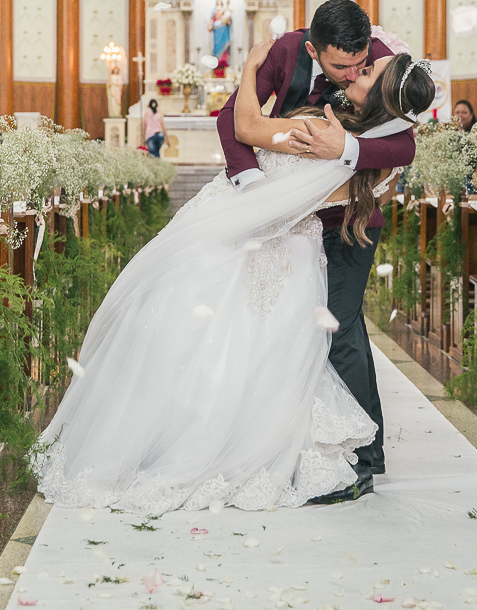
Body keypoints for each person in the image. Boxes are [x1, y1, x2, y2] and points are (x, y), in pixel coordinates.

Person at [32, 46, 435, 513]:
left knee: (244, 342)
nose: (359, 69)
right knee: (243, 346)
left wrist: (246, 69)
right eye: (360, 64)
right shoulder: (363, 143)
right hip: (273, 241)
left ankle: (355, 454)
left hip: (257, 238)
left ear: (381, 101)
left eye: (367, 72)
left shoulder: (329, 135)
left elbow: (246, 126)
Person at [217, 0, 416, 501]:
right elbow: (231, 120)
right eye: (339, 66)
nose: (352, 74)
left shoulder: (384, 61)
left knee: (340, 323)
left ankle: (364, 460)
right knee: (287, 326)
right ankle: (303, 444)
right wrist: (252, 187)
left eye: (359, 64)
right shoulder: (283, 53)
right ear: (313, 49)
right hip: (289, 217)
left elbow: (404, 145)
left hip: (350, 217)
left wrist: (344, 149)